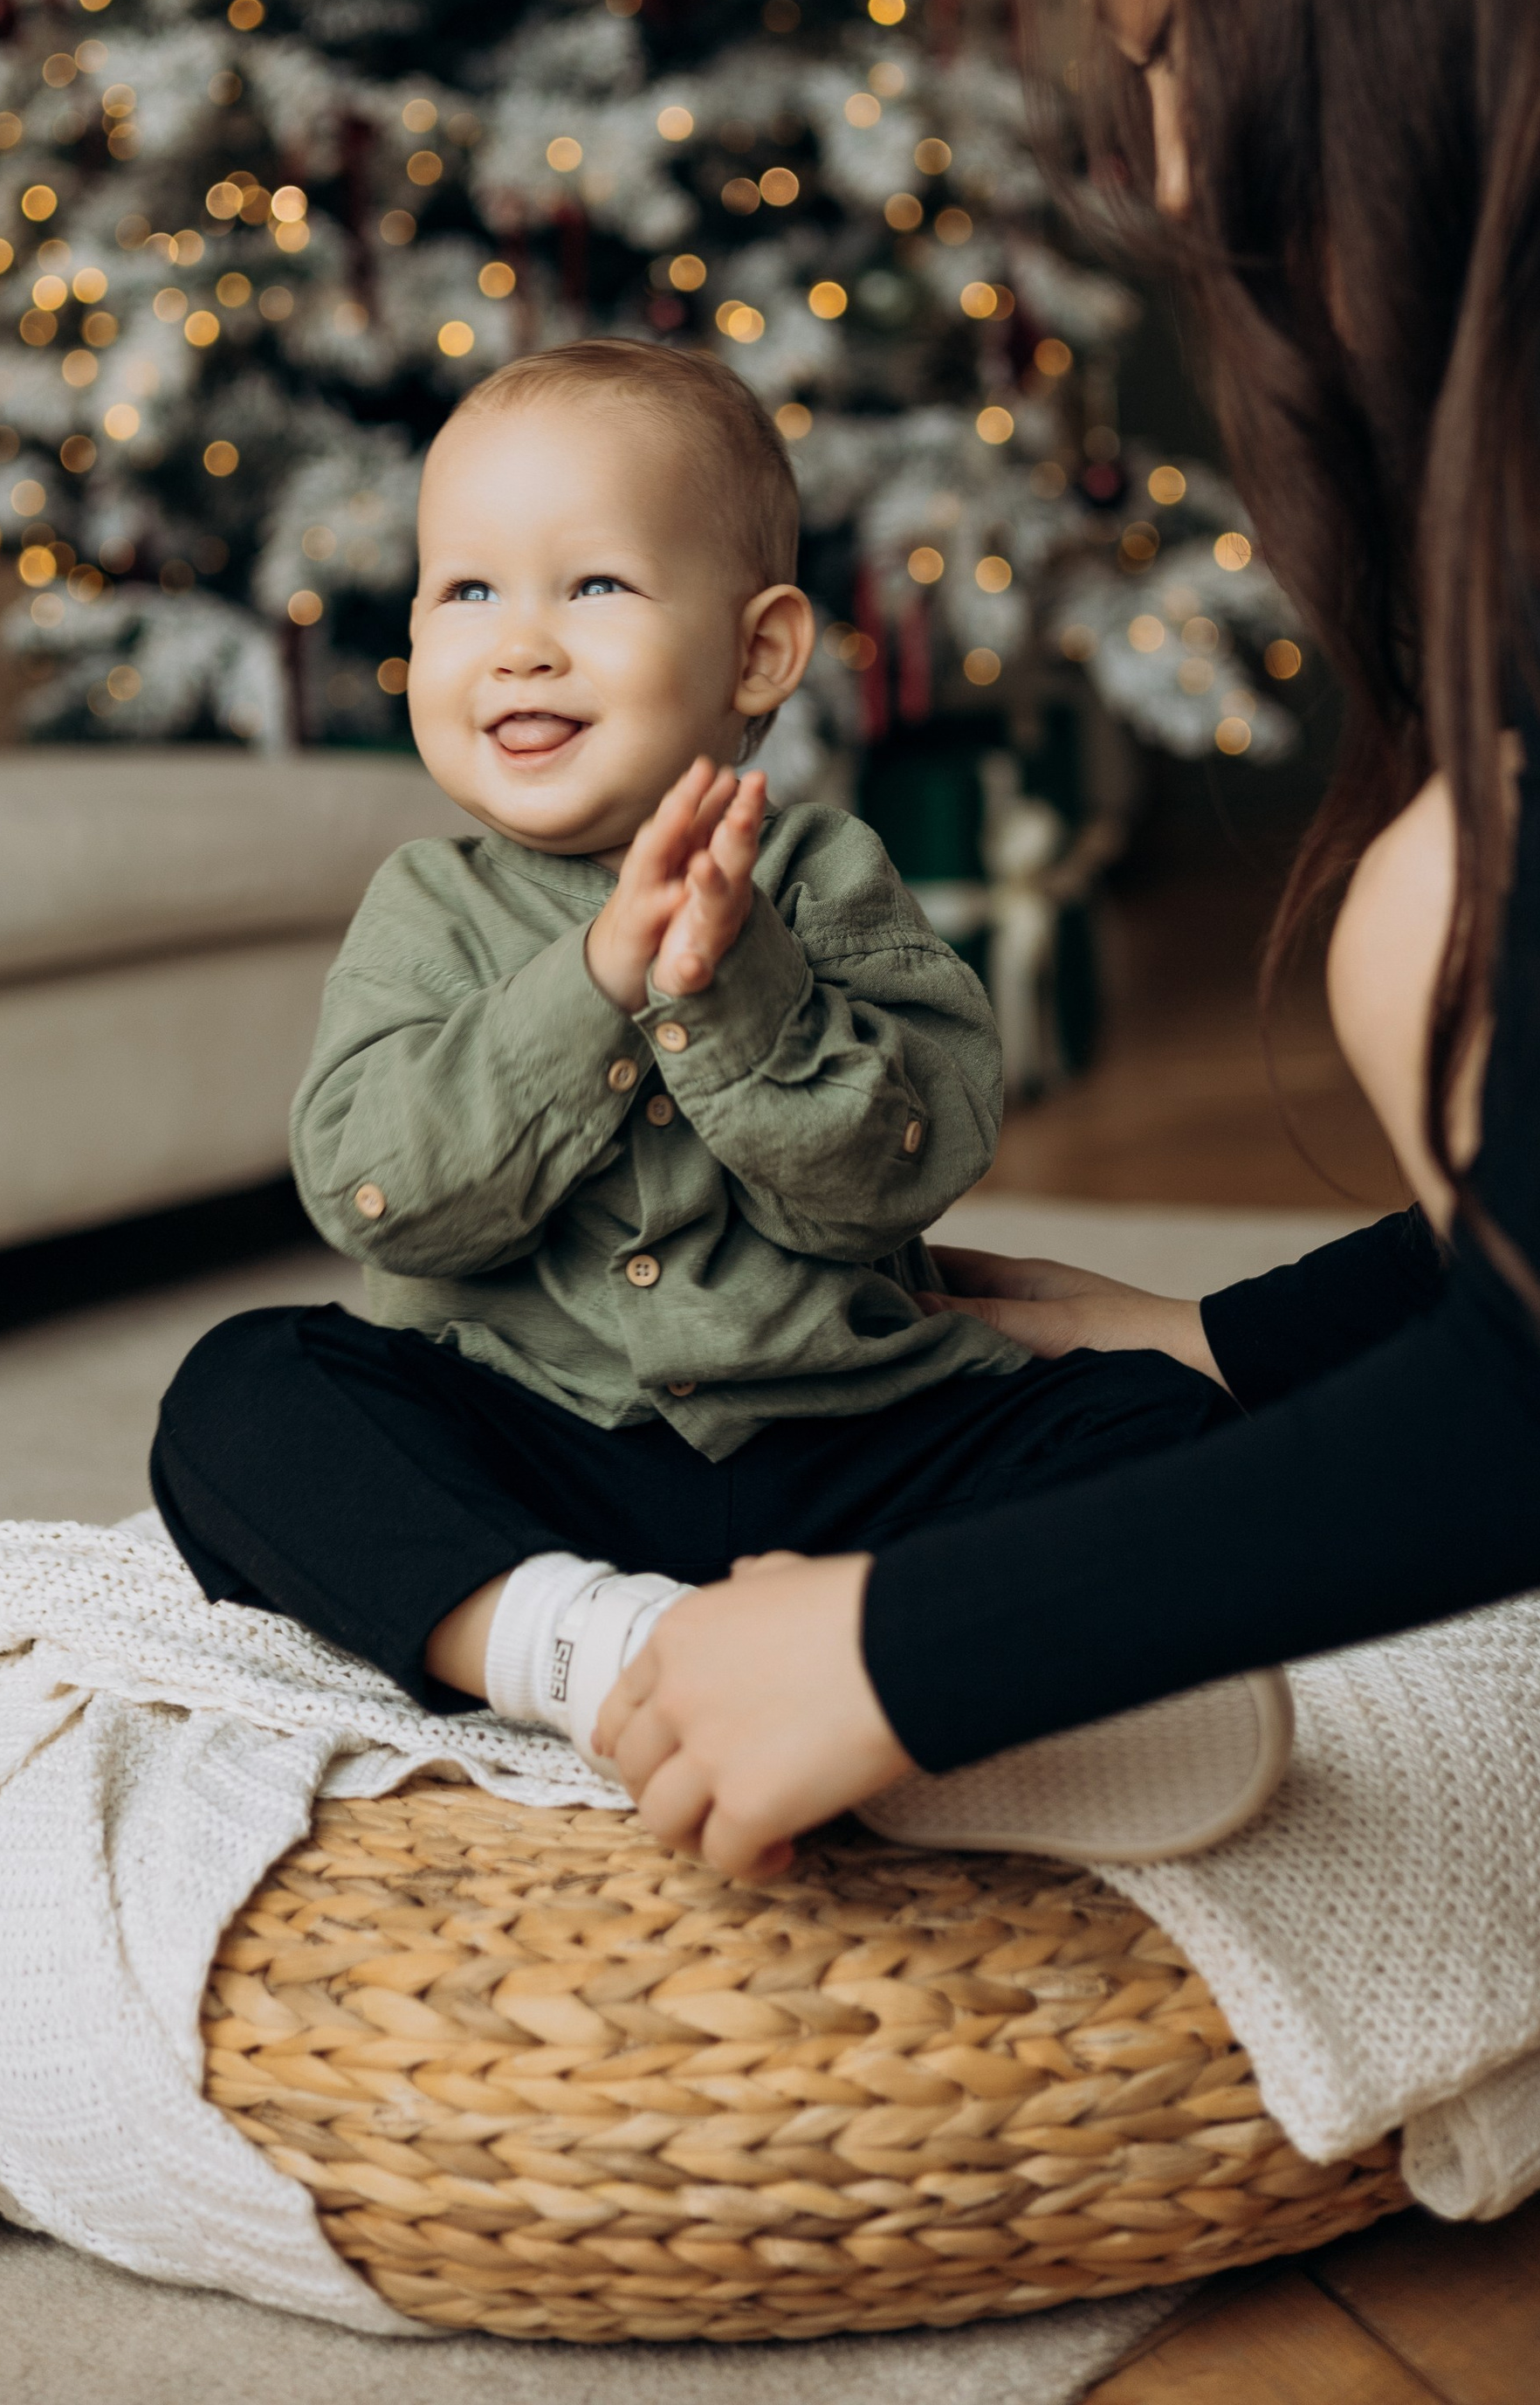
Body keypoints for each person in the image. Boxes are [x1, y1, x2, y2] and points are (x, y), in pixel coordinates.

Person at [582, 0, 1540, 2405]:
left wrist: (886, 1651)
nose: (1160, 164)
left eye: (1170, 44)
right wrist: (1221, 1357)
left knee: (1431, 923)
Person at [151, 336, 1292, 1864]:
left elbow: (895, 1175)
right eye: (466, 590)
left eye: (594, 587)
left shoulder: (826, 879)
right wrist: (593, 986)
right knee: (242, 1398)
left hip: (849, 1445)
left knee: (1162, 1422)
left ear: (758, 655)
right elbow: (380, 1194)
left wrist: (731, 984)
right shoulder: (423, 908)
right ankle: (591, 1652)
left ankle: (907, 1674)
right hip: (538, 1447)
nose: (520, 646)